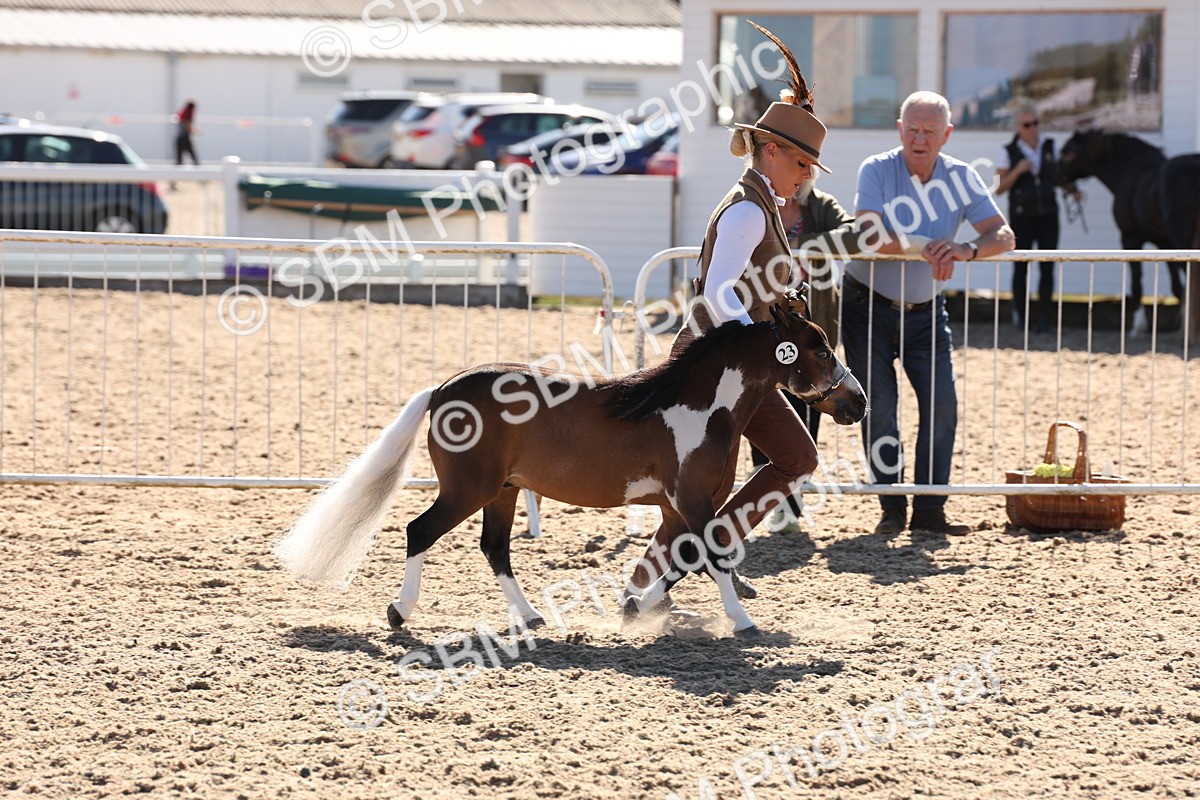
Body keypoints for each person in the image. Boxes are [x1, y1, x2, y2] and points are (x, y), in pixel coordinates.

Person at [628, 24, 831, 599]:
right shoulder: (748, 212)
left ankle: (699, 554)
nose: (805, 177)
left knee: (784, 459)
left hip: (737, 363)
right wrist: (755, 341)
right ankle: (665, 573)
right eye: (802, 165)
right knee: (718, 476)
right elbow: (718, 291)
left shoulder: (760, 207)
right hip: (716, 363)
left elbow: (737, 287)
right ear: (772, 152)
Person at [843, 91, 1014, 535]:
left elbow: (1004, 235)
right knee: (879, 407)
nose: (919, 139)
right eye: (912, 129)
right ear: (899, 129)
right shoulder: (876, 168)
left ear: (947, 135)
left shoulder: (961, 177)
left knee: (943, 406)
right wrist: (928, 247)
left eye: (930, 131)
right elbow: (868, 232)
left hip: (926, 312)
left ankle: (931, 511)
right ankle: (892, 508)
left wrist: (965, 249)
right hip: (868, 307)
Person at [994, 99, 1061, 333]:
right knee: (1021, 266)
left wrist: (1072, 190)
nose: (1032, 129)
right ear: (1018, 127)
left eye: (1035, 123)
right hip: (1022, 216)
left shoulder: (1050, 147)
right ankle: (1022, 318)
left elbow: (1058, 176)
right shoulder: (1008, 152)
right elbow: (999, 187)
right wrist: (1018, 171)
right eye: (1026, 125)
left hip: (1048, 214)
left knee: (1047, 267)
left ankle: (1044, 319)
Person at [175, 100, 199, 166]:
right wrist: (195, 131)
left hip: (179, 138)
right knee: (194, 159)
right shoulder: (188, 116)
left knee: (179, 160)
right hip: (185, 138)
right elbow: (188, 127)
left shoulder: (182, 115)